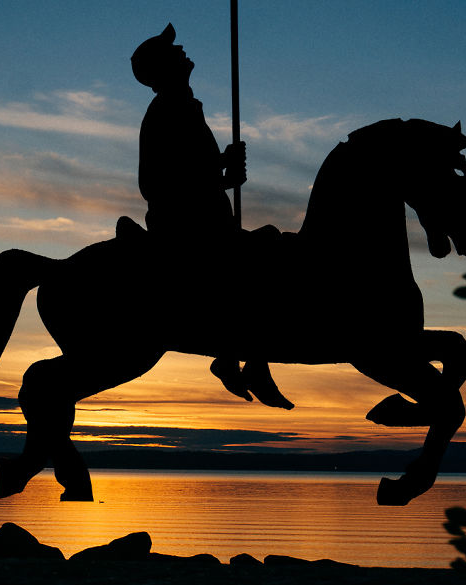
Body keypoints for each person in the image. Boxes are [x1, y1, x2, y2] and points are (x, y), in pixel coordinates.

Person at [131, 23, 292, 410]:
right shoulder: (166, 111)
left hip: (209, 220)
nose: (183, 47)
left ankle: (245, 357)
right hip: (187, 229)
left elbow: (195, 172)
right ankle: (245, 358)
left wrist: (225, 173)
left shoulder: (184, 105)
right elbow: (158, 182)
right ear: (161, 67)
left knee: (268, 244)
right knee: (266, 247)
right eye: (172, 48)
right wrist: (219, 171)